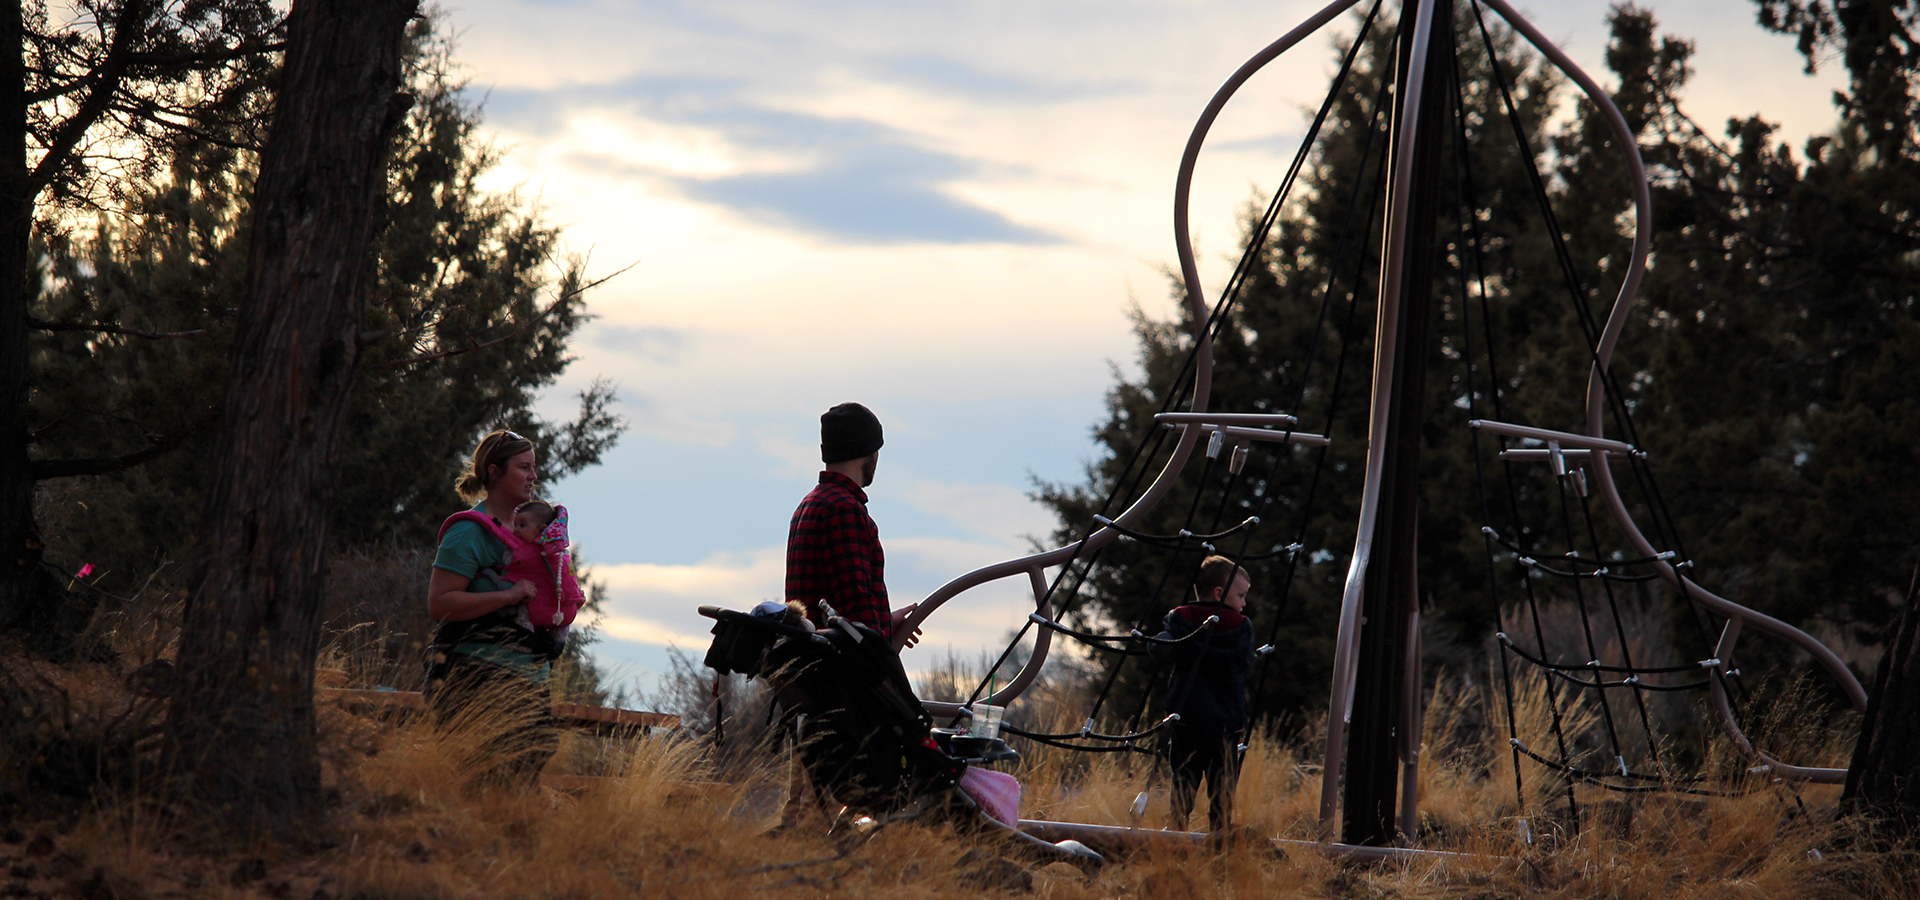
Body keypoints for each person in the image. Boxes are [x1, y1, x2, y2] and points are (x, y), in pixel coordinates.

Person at [424, 429, 559, 784]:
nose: (533, 476)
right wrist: (507, 596)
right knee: (478, 783)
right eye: (524, 467)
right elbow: (440, 603)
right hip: (473, 679)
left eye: (534, 467)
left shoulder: (537, 537)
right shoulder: (469, 532)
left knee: (520, 786)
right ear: (495, 473)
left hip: (530, 681)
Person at [784, 401, 919, 645]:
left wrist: (886, 623)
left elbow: (834, 609)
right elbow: (856, 608)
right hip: (842, 676)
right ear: (869, 454)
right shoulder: (844, 509)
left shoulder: (807, 506)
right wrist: (880, 649)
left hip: (810, 669)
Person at [1150, 554, 1255, 832]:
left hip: (1186, 718)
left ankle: (1176, 829)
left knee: (1183, 778)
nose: (1244, 603)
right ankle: (1220, 833)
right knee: (1222, 784)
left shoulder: (1180, 619)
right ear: (1220, 593)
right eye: (1241, 595)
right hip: (1225, 723)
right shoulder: (1240, 627)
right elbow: (1246, 665)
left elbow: (1164, 648)